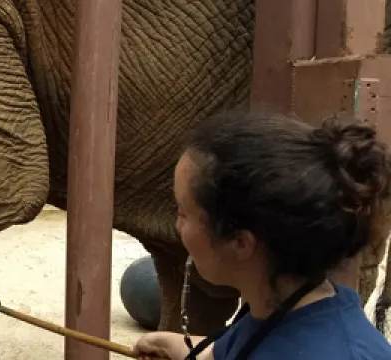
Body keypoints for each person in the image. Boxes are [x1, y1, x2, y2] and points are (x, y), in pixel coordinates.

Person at [133, 110, 391, 360]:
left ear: (240, 243)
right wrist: (167, 344)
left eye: (183, 213)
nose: (178, 226)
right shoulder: (294, 305)